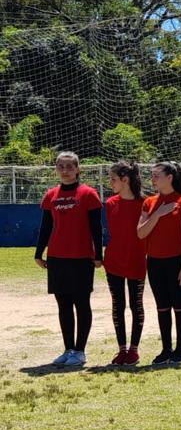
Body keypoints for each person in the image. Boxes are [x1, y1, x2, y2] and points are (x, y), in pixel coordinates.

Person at [35, 152, 103, 367]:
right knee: (63, 305)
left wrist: (98, 255)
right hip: (57, 257)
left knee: (81, 303)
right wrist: (39, 253)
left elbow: (96, 228)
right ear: (56, 169)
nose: (65, 171)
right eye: (60, 167)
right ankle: (68, 349)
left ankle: (80, 351)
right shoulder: (51, 195)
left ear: (77, 169)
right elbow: (46, 227)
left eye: (69, 167)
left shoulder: (88, 194)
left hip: (82, 257)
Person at [137, 162, 181, 365]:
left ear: (170, 177)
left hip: (176, 261)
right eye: (152, 175)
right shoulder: (149, 202)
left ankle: (180, 348)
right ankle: (166, 349)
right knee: (162, 306)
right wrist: (158, 214)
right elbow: (141, 232)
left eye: (157, 175)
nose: (153, 179)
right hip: (154, 261)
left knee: (179, 305)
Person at [104, 162, 147, 366]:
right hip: (113, 261)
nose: (110, 183)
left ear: (125, 180)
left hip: (137, 260)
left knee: (135, 304)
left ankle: (134, 350)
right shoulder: (110, 203)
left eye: (113, 179)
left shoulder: (145, 204)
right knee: (118, 304)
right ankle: (121, 349)